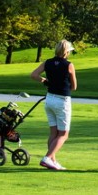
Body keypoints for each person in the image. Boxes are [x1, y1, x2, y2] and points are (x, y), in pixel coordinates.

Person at [30, 39, 77, 171]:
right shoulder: (69, 65)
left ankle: (53, 161)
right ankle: (47, 158)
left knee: (53, 133)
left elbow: (34, 75)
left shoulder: (48, 62)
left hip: (49, 99)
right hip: (62, 101)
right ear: (66, 52)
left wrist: (44, 80)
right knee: (63, 134)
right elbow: (74, 86)